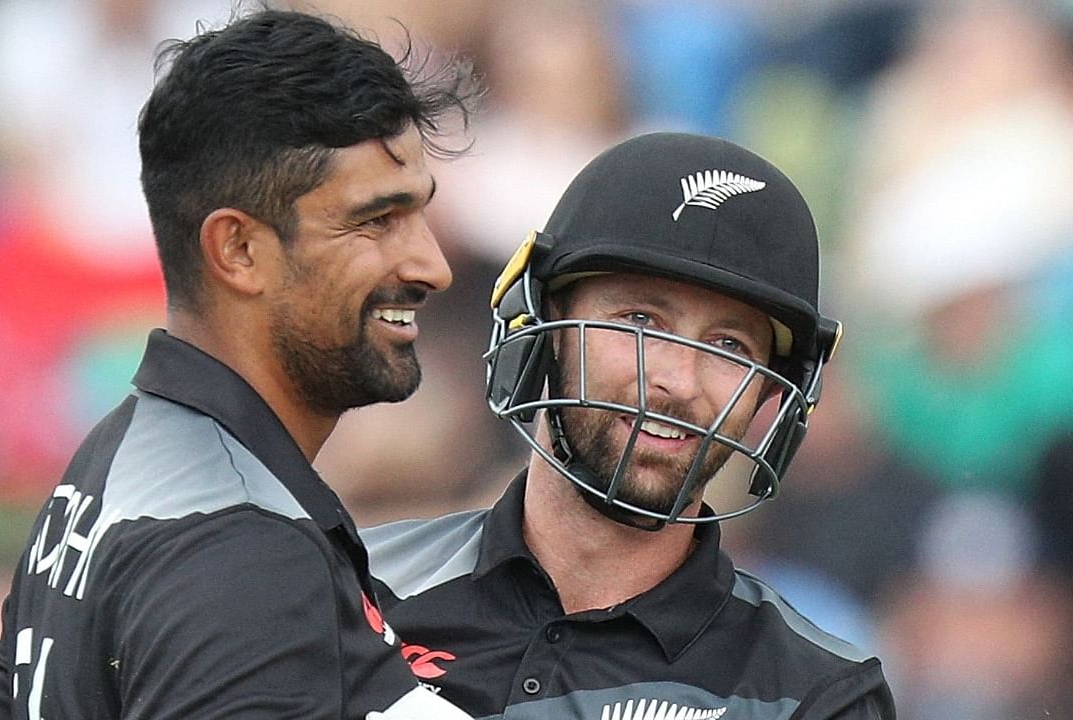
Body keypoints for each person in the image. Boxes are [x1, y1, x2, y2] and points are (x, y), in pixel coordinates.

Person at [0, 8, 479, 719]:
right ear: (238, 251)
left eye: (420, 215)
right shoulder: (247, 549)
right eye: (376, 221)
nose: (433, 266)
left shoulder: (106, 467)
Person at [363, 132, 897, 719]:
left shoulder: (814, 694)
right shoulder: (345, 587)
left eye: (728, 344)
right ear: (547, 322)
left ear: (772, 390)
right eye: (639, 319)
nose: (678, 380)